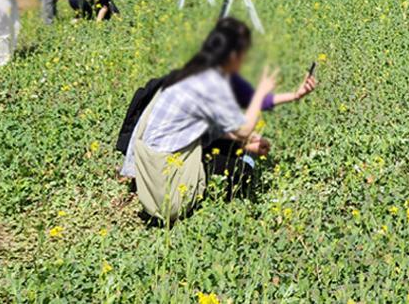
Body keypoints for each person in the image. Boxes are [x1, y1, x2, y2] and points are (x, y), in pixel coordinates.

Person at [119, 18, 316, 222]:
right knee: (243, 169)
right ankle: (219, 208)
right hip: (167, 188)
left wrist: (293, 96)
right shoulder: (211, 85)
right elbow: (245, 124)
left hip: (152, 169)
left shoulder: (194, 73)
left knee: (238, 147)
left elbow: (207, 126)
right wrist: (256, 108)